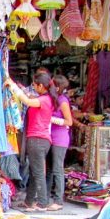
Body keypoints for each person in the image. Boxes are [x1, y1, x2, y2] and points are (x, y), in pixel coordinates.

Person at [5, 71, 58, 211]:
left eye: (34, 85)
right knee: (35, 172)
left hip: (37, 140)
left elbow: (27, 101)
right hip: (41, 140)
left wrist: (14, 88)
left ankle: (42, 203)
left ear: (41, 85)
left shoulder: (44, 100)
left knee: (39, 173)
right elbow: (29, 96)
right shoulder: (46, 98)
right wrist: (19, 88)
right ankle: (29, 201)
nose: (33, 87)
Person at [45, 75, 73, 211]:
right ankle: (45, 198)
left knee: (57, 169)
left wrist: (51, 119)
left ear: (57, 87)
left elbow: (69, 121)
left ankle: (58, 200)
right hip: (50, 137)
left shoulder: (62, 101)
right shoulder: (53, 100)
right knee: (49, 169)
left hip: (60, 139)